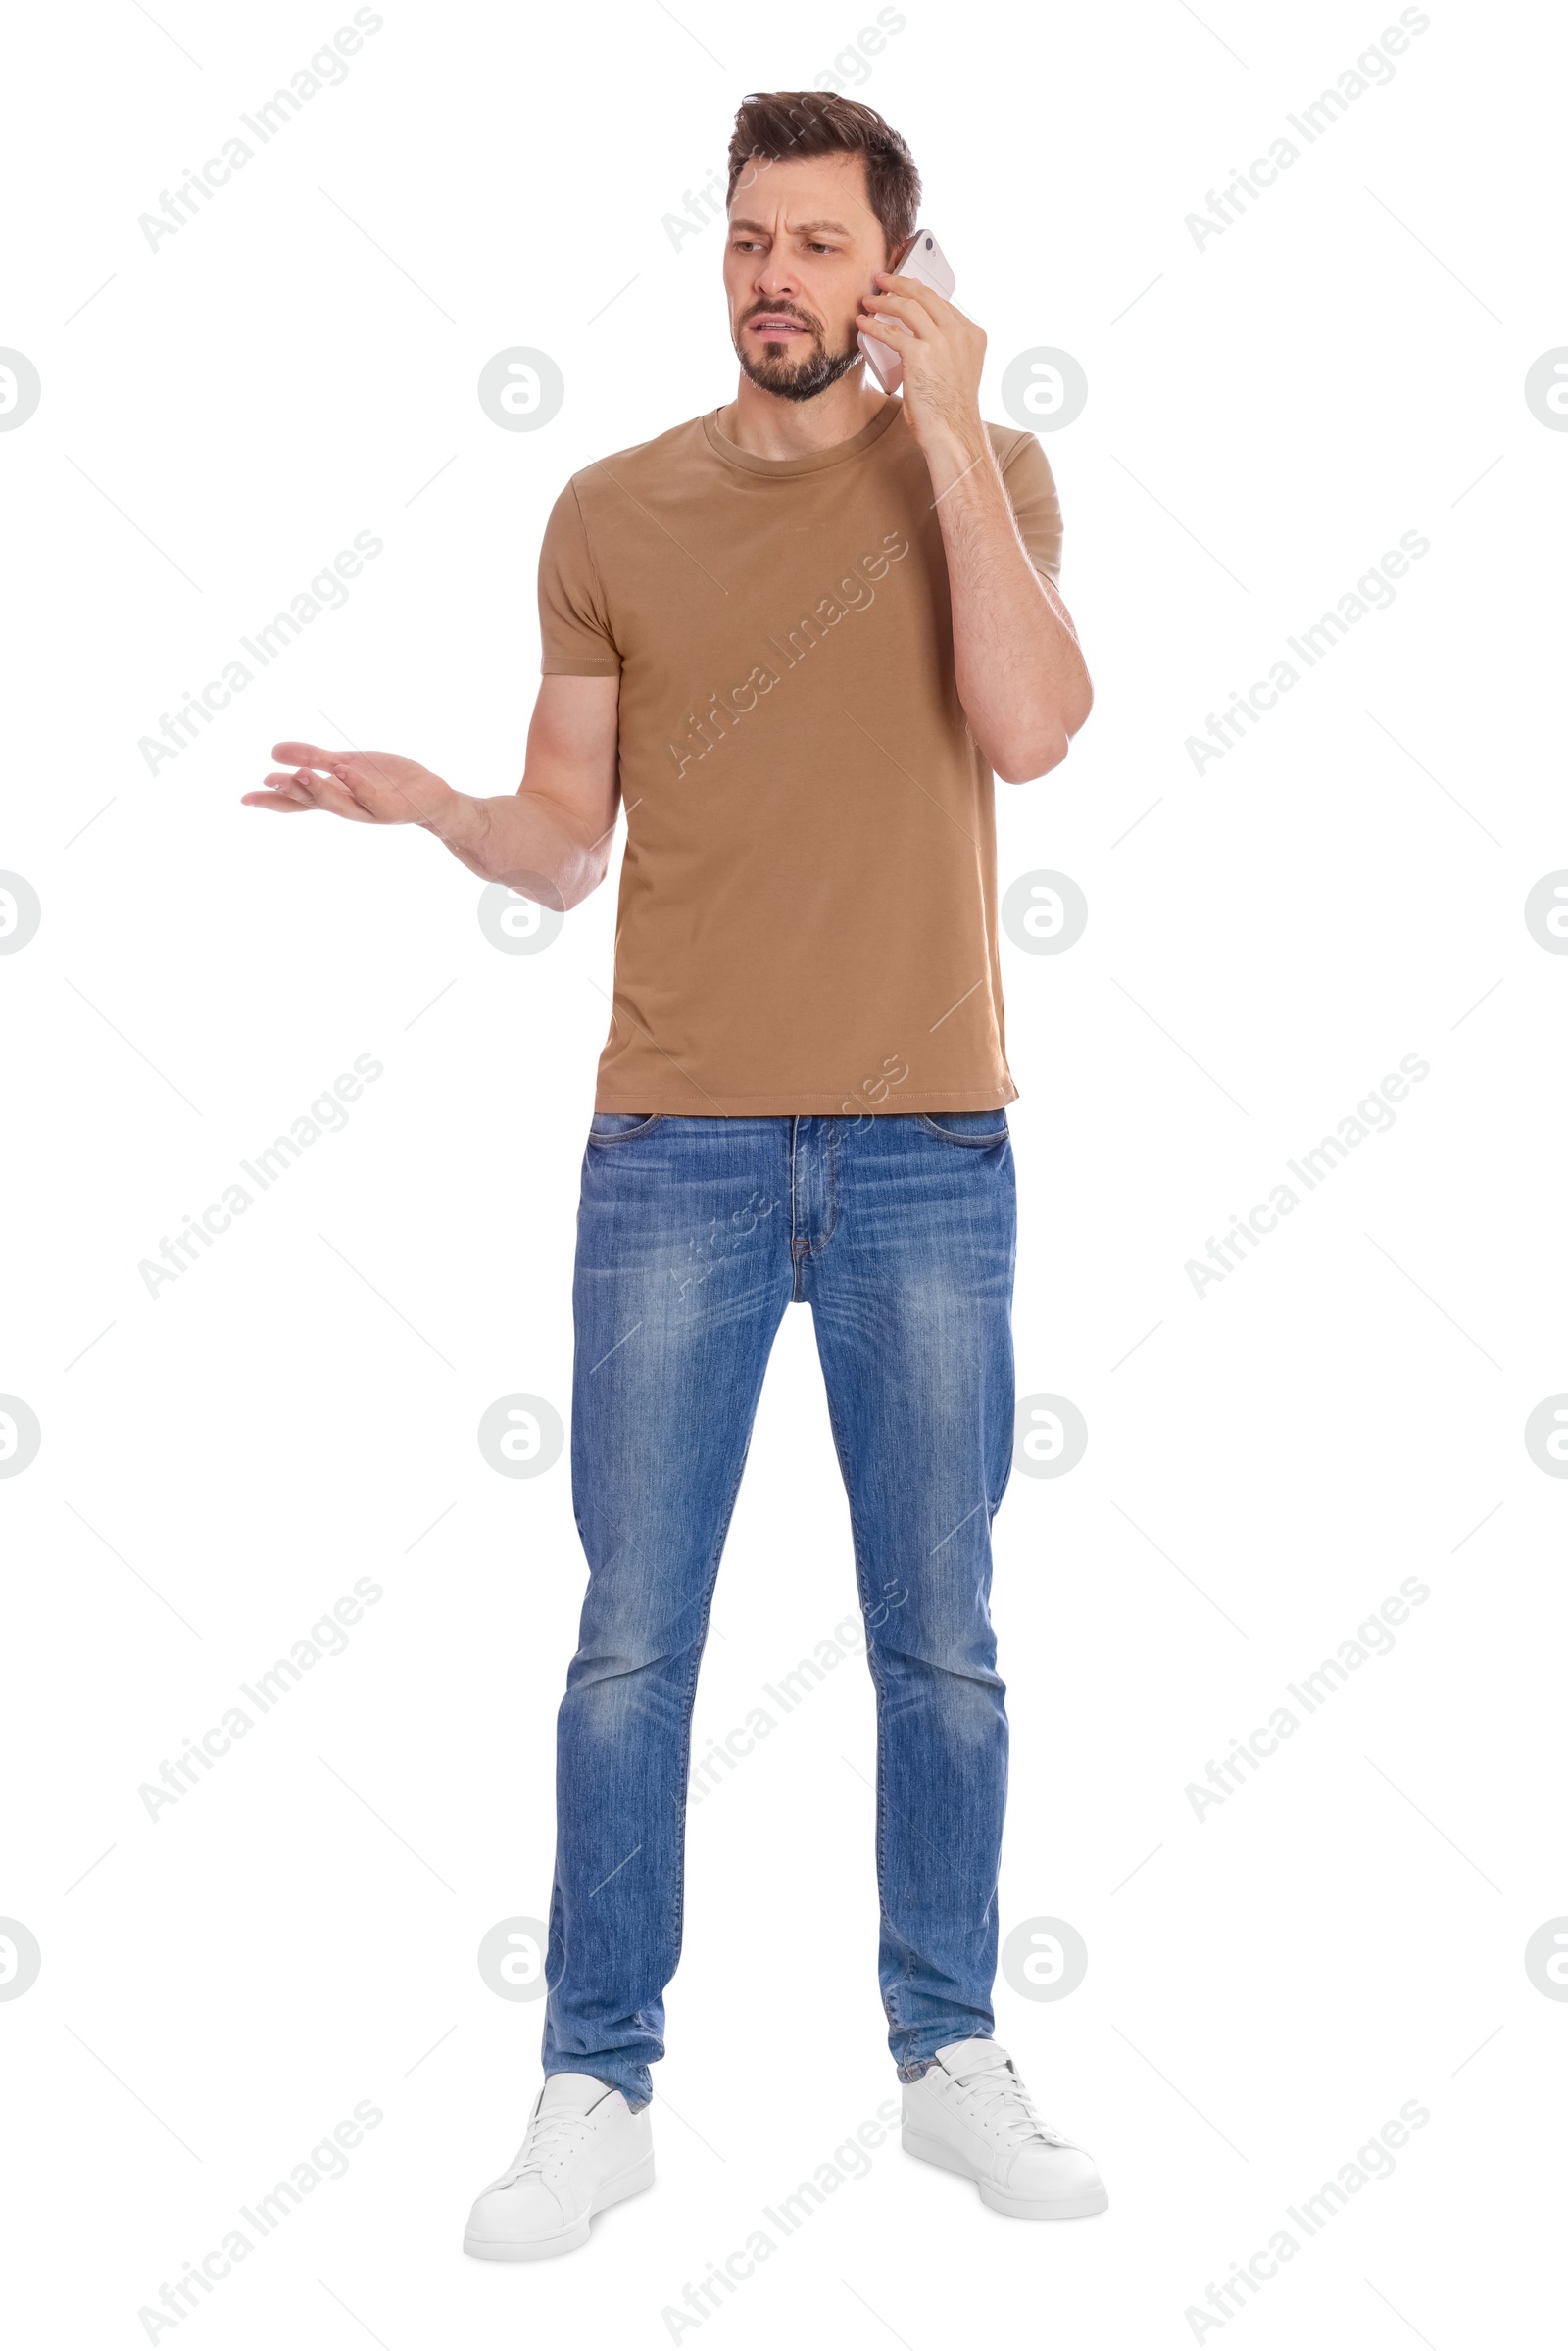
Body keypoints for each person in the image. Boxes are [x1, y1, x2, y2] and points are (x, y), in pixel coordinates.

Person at [245, 88, 1104, 2261]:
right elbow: (563, 835)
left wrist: (956, 432)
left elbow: (1031, 731)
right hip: (677, 1153)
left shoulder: (979, 479)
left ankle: (945, 2057)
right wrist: (435, 807)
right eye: (748, 239)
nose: (773, 278)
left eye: (819, 244)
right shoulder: (611, 511)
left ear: (892, 272)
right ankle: (593, 2082)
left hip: (926, 1152)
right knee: (631, 1642)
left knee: (943, 1643)